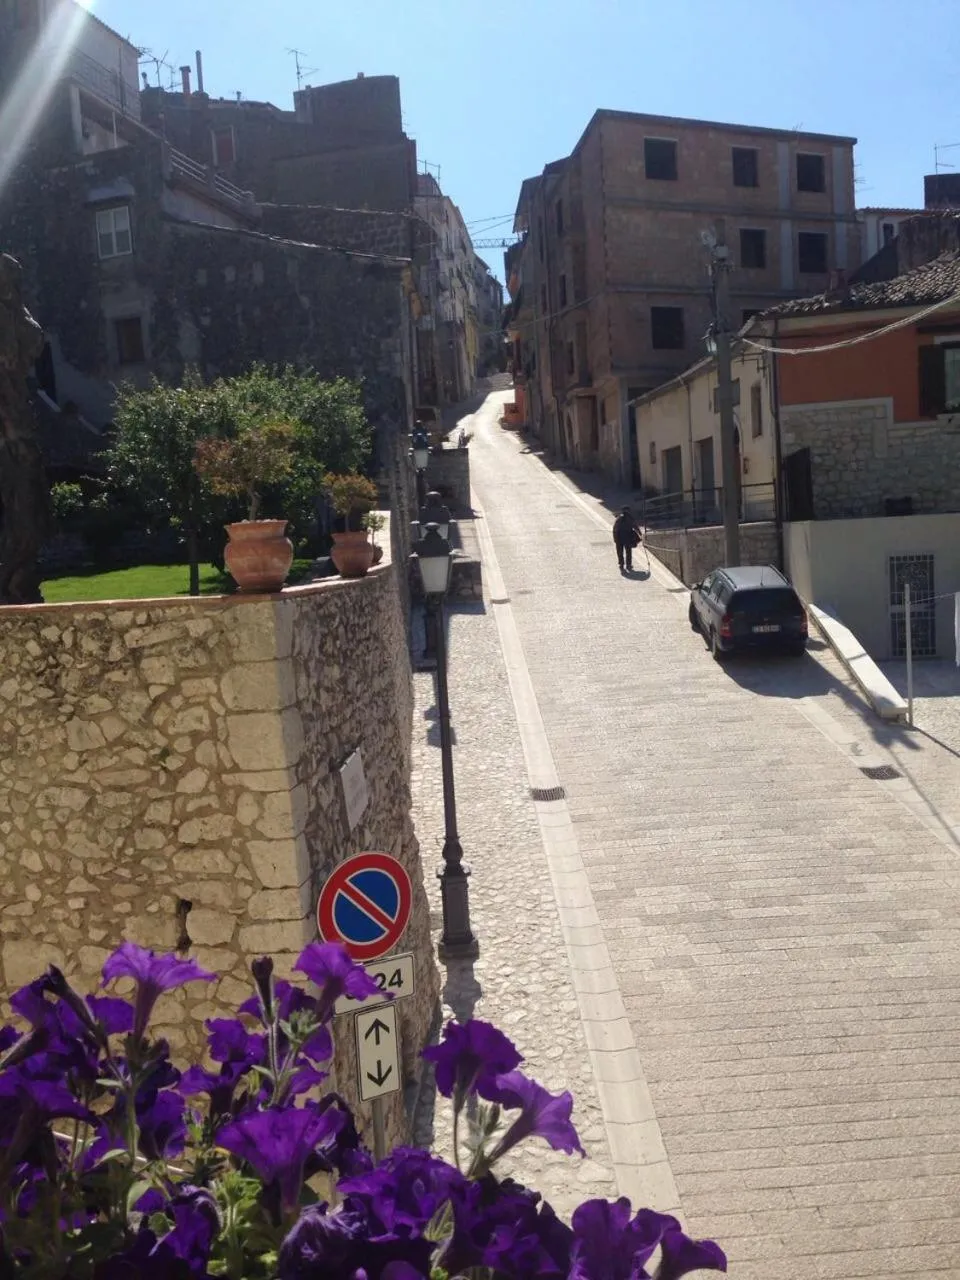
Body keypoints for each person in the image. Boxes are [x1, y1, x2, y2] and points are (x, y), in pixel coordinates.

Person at [612, 507, 641, 573]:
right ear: (628, 510)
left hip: (618, 537)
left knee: (620, 551)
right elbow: (635, 526)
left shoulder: (618, 518)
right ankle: (628, 564)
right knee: (628, 551)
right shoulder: (630, 518)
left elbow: (615, 528)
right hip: (627, 537)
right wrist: (640, 533)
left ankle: (621, 564)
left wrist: (615, 538)